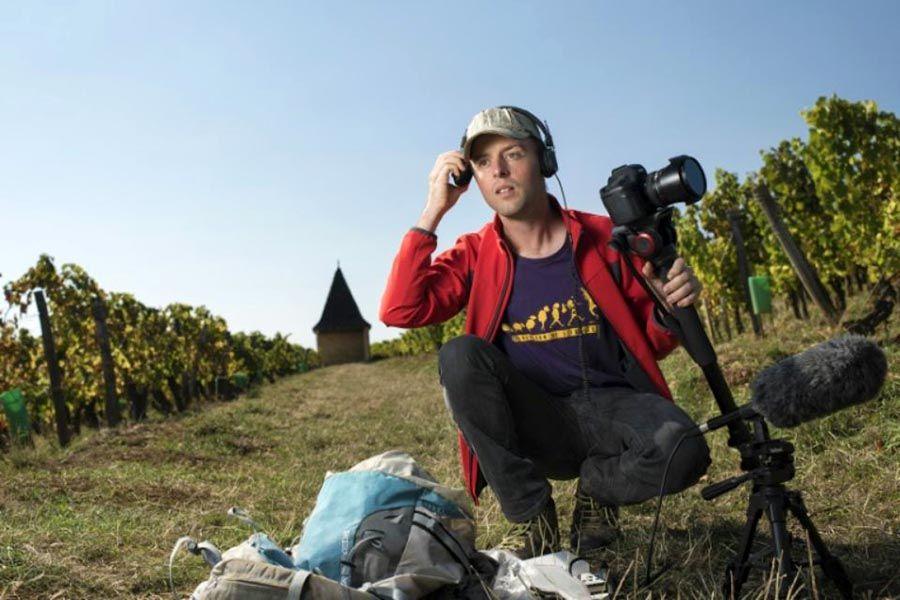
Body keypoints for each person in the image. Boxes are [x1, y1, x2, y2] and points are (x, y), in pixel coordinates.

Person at [379, 106, 710, 560]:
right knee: (459, 355)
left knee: (685, 447)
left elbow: (653, 343)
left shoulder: (605, 237)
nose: (498, 170)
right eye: (482, 163)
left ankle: (599, 491)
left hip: (614, 407)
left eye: (513, 153)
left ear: (544, 161)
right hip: (537, 419)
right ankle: (532, 519)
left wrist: (668, 307)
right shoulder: (475, 253)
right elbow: (401, 309)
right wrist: (433, 210)